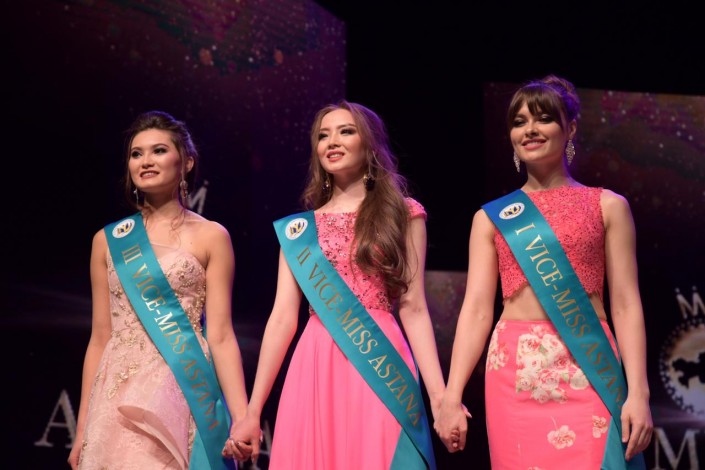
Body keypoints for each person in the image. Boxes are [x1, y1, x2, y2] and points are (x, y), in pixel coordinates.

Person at [435, 75, 653, 468]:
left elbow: (625, 304)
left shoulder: (608, 205)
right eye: (519, 122)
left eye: (544, 119)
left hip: (588, 363)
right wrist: (452, 395)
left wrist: (638, 393)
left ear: (570, 128)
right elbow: (478, 311)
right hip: (513, 372)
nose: (530, 130)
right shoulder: (491, 217)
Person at [223, 100, 446, 469]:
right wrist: (252, 410)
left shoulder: (403, 213)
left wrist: (440, 398)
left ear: (370, 145)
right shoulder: (299, 231)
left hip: (380, 359)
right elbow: (282, 319)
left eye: (346, 131)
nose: (332, 141)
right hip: (315, 360)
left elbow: (414, 306)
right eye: (323, 135)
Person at [68, 110, 250, 469]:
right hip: (116, 391)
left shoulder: (212, 236)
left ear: (186, 162)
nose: (146, 161)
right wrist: (82, 429)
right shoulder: (107, 240)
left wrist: (242, 417)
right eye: (136, 154)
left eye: (159, 150)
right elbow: (100, 337)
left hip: (180, 386)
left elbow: (221, 335)